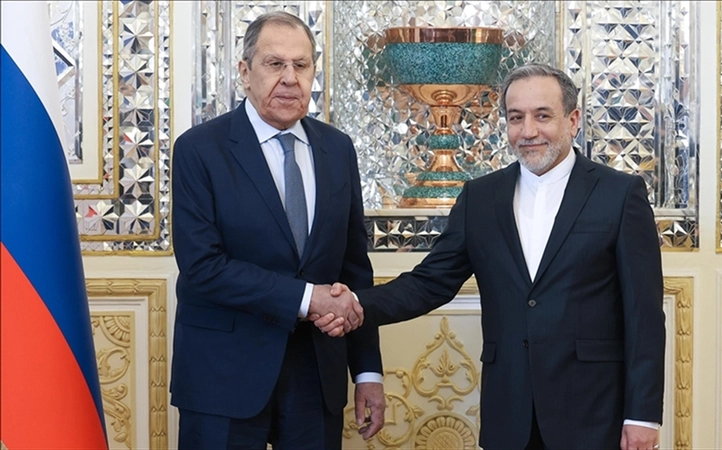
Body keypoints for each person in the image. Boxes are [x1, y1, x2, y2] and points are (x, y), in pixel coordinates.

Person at [318, 63, 665, 450]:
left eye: (542, 116)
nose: (528, 131)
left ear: (573, 120)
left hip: (595, 413)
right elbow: (429, 283)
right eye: (516, 118)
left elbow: (644, 316)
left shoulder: (620, 194)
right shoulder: (480, 198)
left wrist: (642, 415)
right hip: (509, 414)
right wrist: (355, 303)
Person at [170, 11, 385, 449]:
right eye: (275, 64)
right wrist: (308, 298)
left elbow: (354, 270)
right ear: (244, 72)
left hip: (316, 377)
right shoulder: (199, 149)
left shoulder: (337, 149)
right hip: (223, 377)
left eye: (301, 65)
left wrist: (367, 372)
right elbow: (203, 267)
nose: (289, 78)